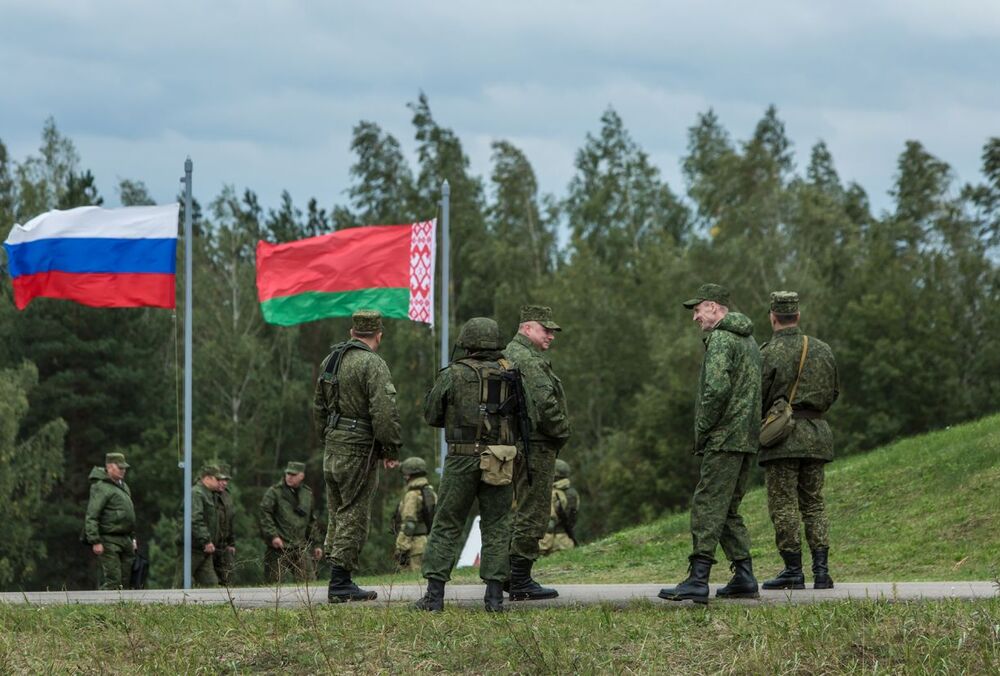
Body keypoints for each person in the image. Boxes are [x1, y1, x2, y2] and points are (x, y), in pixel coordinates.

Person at [415, 317, 531, 612]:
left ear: (467, 343)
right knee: (497, 526)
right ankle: (494, 599)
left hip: (461, 457)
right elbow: (530, 418)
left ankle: (434, 596)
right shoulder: (512, 374)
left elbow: (431, 414)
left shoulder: (453, 374)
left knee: (447, 524)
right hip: (501, 459)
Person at [659, 283, 762, 604]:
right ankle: (744, 576)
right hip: (747, 438)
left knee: (706, 504)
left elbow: (716, 390)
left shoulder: (720, 338)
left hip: (724, 436)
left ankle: (698, 578)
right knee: (728, 508)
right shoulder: (749, 341)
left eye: (698, 310)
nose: (695, 318)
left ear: (715, 308)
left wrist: (703, 429)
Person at [313, 309, 402, 603]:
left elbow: (318, 407)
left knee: (337, 510)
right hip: (358, 448)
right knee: (354, 512)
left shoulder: (331, 359)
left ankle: (338, 576)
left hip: (333, 445)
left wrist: (326, 438)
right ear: (379, 335)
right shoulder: (372, 364)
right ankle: (340, 583)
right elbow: (384, 412)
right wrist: (390, 449)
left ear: (352, 332)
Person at [759, 291, 839, 590]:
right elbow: (833, 393)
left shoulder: (767, 352)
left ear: (773, 316)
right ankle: (822, 572)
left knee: (784, 505)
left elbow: (759, 396)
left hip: (782, 439)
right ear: (798, 316)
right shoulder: (823, 349)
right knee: (814, 504)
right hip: (817, 435)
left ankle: (793, 570)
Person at [503, 304, 571, 600]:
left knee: (513, 509)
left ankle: (506, 573)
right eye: (546, 330)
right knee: (534, 509)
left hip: (513, 443)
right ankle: (519, 579)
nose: (551, 336)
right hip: (535, 444)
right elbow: (545, 403)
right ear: (526, 328)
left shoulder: (507, 354)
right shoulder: (528, 359)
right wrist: (561, 431)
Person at [259, 461, 323, 583]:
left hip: (300, 546)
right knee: (273, 585)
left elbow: (311, 521)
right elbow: (264, 514)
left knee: (309, 584)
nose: (289, 477)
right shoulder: (274, 492)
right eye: (288, 474)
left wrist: (317, 544)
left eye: (293, 474)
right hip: (279, 547)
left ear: (301, 476)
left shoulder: (307, 493)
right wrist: (273, 536)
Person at [83, 452, 137, 590]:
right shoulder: (101, 487)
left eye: (124, 468)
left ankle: (122, 610)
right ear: (110, 467)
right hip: (109, 539)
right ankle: (100, 605)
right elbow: (92, 515)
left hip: (125, 539)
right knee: (114, 581)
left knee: (126, 581)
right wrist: (95, 541)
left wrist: (133, 538)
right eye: (120, 468)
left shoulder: (123, 486)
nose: (123, 471)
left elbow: (129, 515)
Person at [176, 464, 223, 588]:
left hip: (202, 549)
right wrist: (206, 540)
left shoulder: (209, 494)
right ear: (207, 478)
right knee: (181, 583)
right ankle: (172, 605)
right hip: (191, 547)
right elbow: (195, 519)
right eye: (217, 479)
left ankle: (214, 606)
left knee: (212, 585)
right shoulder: (196, 493)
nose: (220, 482)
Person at [392, 456, 436, 573]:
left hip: (414, 546)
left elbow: (409, 523)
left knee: (412, 583)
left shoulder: (412, 495)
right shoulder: (430, 492)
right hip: (428, 543)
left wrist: (401, 547)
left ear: (409, 475)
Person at [538, 458, 579, 556]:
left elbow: (549, 522)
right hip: (566, 542)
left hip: (548, 543)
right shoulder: (573, 493)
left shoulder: (552, 493)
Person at [213, 462, 237, 586]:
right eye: (221, 479)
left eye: (226, 479)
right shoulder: (207, 495)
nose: (224, 483)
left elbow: (230, 521)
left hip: (224, 545)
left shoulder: (227, 496)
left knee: (228, 577)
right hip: (210, 545)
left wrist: (231, 543)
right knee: (209, 581)